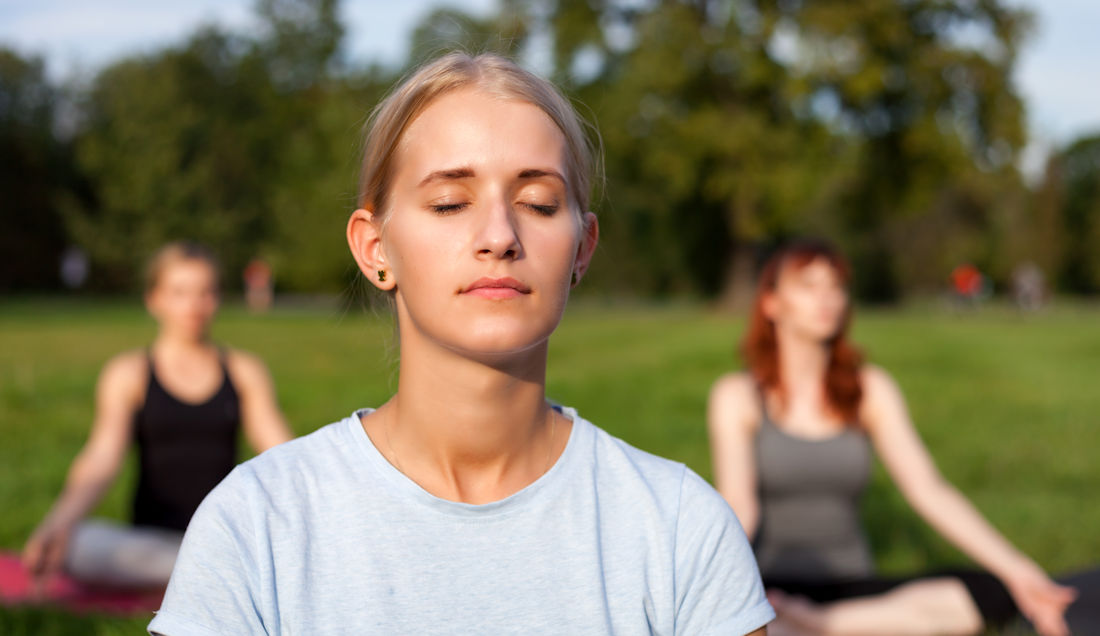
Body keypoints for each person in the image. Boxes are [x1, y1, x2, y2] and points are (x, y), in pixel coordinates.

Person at [148, 52, 774, 635]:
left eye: (539, 202)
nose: (499, 235)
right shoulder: (256, 525)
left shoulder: (679, 529)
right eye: (450, 203)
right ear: (375, 248)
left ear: (582, 248)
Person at [707, 240, 1079, 636]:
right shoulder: (738, 396)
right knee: (759, 623)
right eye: (808, 286)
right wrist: (712, 591)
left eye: (835, 287)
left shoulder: (870, 388)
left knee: (991, 592)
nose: (827, 298)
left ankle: (819, 626)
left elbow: (928, 490)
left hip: (856, 591)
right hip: (773, 586)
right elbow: (739, 511)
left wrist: (1019, 572)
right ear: (771, 303)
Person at [22, 242, 294, 589]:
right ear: (154, 299)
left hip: (224, 536)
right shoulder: (128, 373)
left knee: (251, 549)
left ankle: (209, 574)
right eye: (179, 292)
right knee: (79, 545)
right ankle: (213, 577)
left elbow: (282, 455)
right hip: (150, 544)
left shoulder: (244, 371)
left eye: (205, 292)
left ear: (217, 298)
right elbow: (102, 458)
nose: (194, 305)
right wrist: (57, 523)